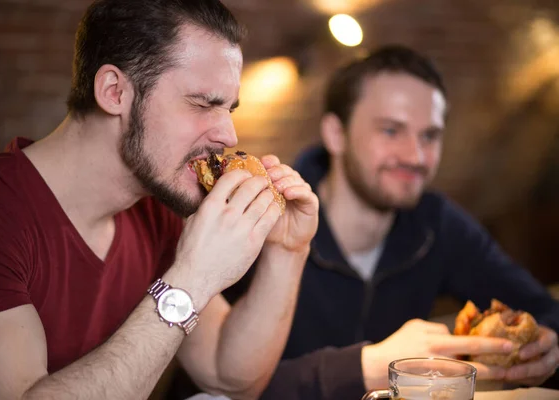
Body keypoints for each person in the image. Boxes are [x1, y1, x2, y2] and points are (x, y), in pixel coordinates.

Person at [0, 1, 319, 399]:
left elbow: (227, 375)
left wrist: (288, 249)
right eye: (202, 103)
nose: (229, 136)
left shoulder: (156, 210)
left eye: (228, 109)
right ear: (114, 92)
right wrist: (192, 279)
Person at [215, 45, 559, 400]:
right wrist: (363, 367)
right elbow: (212, 388)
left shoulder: (437, 222)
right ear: (336, 134)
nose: (416, 156)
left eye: (430, 135)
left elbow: (544, 310)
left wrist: (549, 343)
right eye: (392, 131)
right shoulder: (257, 216)